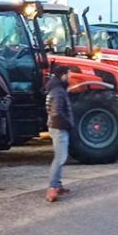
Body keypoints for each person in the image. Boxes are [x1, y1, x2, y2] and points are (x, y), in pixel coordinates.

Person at [45, 65, 74, 202]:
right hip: (59, 127)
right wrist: (68, 123)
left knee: (60, 157)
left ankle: (58, 185)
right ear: (63, 75)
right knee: (60, 158)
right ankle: (52, 188)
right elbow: (56, 112)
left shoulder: (55, 88)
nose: (70, 76)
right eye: (69, 74)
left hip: (55, 126)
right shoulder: (58, 91)